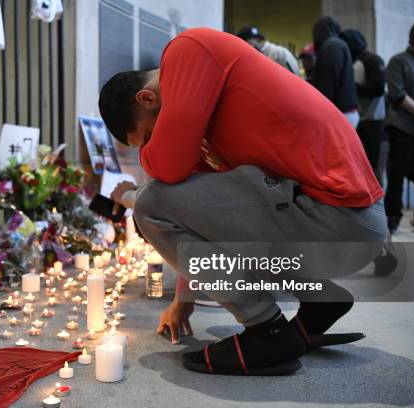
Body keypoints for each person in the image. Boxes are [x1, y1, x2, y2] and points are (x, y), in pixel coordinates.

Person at [99, 28, 386, 376]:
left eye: (147, 137)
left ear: (147, 98)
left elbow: (166, 170)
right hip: (334, 219)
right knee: (166, 202)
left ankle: (268, 330)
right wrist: (182, 301)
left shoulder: (189, 49)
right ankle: (319, 299)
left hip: (337, 214)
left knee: (148, 205)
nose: (150, 148)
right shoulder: (203, 127)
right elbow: (200, 221)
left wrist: (139, 172)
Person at [384, 21, 414, 233]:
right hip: (403, 127)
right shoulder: (398, 61)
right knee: (397, 174)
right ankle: (393, 217)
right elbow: (397, 93)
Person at [340, 29, 387, 183]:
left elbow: (378, 88)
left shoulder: (371, 60)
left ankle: (377, 204)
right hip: (361, 121)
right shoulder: (355, 61)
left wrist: (349, 86)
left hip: (372, 122)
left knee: (372, 168)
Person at [311, 17, 359, 127]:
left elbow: (328, 81)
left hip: (338, 113)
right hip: (344, 111)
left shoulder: (331, 46)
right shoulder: (337, 44)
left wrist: (320, 112)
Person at [236, 26, 300, 75]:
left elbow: (295, 76)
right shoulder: (251, 56)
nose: (255, 42)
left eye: (257, 39)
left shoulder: (279, 52)